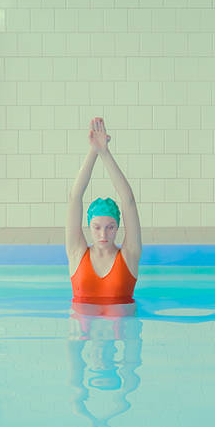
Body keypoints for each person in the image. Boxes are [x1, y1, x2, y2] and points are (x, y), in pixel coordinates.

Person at [65, 117, 142, 315]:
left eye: (110, 227)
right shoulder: (76, 253)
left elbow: (129, 201)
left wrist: (105, 153)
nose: (103, 234)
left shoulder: (129, 255)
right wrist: (93, 151)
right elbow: (74, 197)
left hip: (123, 331)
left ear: (118, 227)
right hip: (82, 335)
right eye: (97, 227)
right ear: (88, 226)